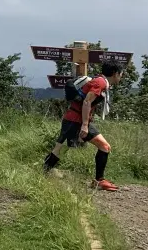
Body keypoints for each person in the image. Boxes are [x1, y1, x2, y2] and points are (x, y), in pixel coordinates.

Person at [43, 60, 123, 191]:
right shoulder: (100, 83)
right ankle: (43, 174)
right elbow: (87, 102)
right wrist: (85, 126)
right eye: (121, 74)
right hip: (75, 121)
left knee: (104, 146)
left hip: (75, 120)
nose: (121, 77)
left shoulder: (101, 81)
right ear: (115, 73)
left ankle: (99, 180)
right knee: (60, 150)